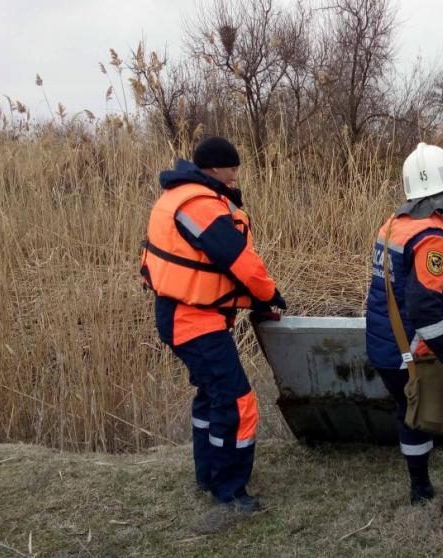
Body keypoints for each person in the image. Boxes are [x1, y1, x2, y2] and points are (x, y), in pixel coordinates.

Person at [140, 136, 285, 525]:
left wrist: (256, 303)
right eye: (232, 167)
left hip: (183, 315)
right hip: (193, 320)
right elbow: (239, 261)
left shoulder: (177, 197)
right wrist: (270, 294)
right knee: (237, 402)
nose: (237, 174)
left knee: (211, 397)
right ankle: (230, 491)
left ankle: (207, 477)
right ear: (215, 169)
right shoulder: (200, 205)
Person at [365, 143, 443, 512]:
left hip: (384, 349)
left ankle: (420, 488)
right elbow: (423, 309)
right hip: (415, 353)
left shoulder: (393, 226)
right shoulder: (433, 237)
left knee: (411, 413)